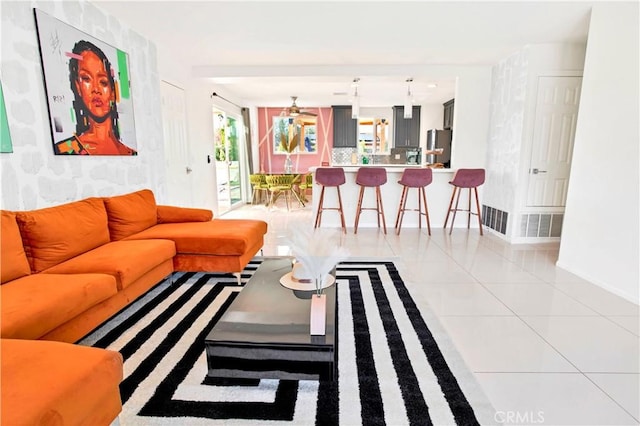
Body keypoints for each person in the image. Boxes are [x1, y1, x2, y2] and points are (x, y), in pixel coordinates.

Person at [54, 40, 137, 155]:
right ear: (78, 87)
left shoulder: (130, 153)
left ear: (113, 92)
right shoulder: (64, 150)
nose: (96, 89)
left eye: (103, 82)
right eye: (86, 79)